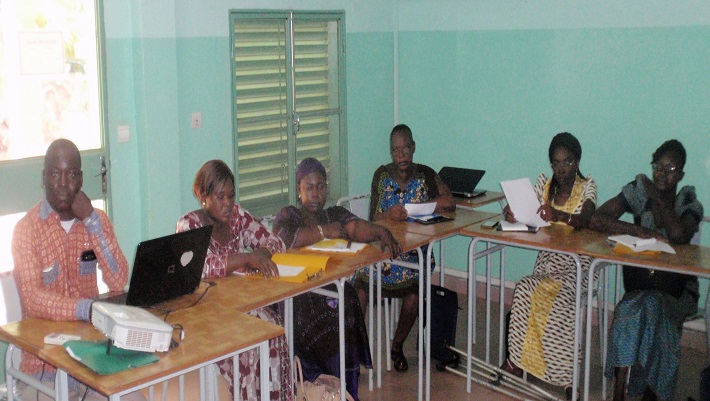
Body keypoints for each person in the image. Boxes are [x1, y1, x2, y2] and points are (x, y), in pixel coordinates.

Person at [12, 138, 143, 401]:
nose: (63, 183)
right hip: (43, 367)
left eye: (71, 174)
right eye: (55, 174)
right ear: (44, 178)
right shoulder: (27, 229)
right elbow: (32, 298)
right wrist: (86, 309)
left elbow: (118, 279)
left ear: (81, 179)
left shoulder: (96, 220)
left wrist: (92, 221)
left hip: (90, 359)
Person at [273, 157, 401, 400]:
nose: (315, 193)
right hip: (296, 292)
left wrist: (381, 232)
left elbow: (355, 227)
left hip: (328, 285)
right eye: (309, 187)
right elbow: (285, 238)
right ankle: (313, 381)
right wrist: (324, 231)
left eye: (320, 187)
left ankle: (343, 384)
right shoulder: (289, 215)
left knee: (349, 299)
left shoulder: (333, 214)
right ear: (299, 190)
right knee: (323, 312)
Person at [589, 139, 703, 401]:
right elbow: (597, 219)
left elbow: (678, 233)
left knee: (650, 306)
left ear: (681, 174)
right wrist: (639, 231)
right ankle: (619, 390)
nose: (662, 174)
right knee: (628, 309)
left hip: (678, 290)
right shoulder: (639, 191)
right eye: (658, 166)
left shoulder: (688, 201)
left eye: (670, 169)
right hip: (642, 282)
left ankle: (652, 391)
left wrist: (658, 198)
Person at [176, 160, 292, 401]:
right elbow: (200, 267)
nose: (228, 203)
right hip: (209, 314)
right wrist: (245, 258)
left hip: (242, 304)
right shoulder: (190, 224)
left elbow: (275, 241)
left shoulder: (237, 217)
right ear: (204, 196)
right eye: (220, 197)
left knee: (274, 330)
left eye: (231, 196)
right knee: (249, 342)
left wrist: (262, 253)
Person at [498, 132, 597, 400]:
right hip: (548, 261)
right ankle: (516, 361)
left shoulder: (587, 187)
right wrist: (513, 213)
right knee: (524, 289)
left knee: (563, 302)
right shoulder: (545, 185)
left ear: (577, 161)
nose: (561, 169)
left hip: (576, 264)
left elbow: (586, 219)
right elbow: (527, 211)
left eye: (567, 162)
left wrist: (560, 215)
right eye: (556, 163)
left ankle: (569, 379)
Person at [351, 123, 455, 372]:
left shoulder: (426, 174)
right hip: (385, 249)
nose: (401, 155)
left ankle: (397, 347)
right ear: (391, 152)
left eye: (406, 148)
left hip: (414, 254)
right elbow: (373, 217)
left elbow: (449, 202)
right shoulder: (382, 175)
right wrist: (388, 214)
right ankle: (355, 351)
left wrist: (423, 206)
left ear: (413, 147)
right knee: (359, 287)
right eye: (396, 150)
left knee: (414, 294)